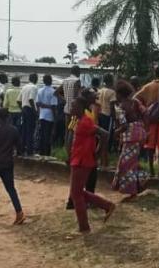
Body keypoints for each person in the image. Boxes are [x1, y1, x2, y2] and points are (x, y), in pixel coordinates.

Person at [68, 96, 115, 233]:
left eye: (73, 106)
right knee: (77, 192)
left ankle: (84, 227)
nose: (71, 108)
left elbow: (104, 134)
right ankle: (107, 205)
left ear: (80, 108)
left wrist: (98, 154)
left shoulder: (86, 122)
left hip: (83, 160)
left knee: (76, 195)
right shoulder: (80, 121)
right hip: (79, 159)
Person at [111, 80, 149, 200]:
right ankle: (140, 182)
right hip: (140, 134)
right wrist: (144, 128)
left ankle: (134, 189)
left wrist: (116, 133)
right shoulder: (136, 101)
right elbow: (146, 113)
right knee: (131, 162)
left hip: (130, 137)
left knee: (126, 164)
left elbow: (124, 125)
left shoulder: (120, 106)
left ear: (119, 94)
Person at [57, 66, 82, 156]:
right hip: (74, 109)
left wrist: (65, 99)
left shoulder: (65, 80)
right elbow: (77, 96)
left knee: (67, 130)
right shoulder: (77, 81)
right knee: (73, 130)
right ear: (78, 72)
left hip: (66, 108)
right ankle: (70, 151)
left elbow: (56, 92)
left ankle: (65, 149)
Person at [96, 73, 116, 170]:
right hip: (108, 117)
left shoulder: (100, 91)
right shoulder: (112, 92)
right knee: (106, 140)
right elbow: (112, 107)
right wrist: (115, 118)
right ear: (111, 81)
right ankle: (104, 163)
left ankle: (98, 161)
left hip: (100, 115)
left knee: (101, 139)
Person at [36, 75, 58, 156]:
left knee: (42, 135)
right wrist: (55, 118)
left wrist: (42, 106)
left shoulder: (40, 90)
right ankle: (47, 154)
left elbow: (38, 103)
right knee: (48, 135)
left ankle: (41, 152)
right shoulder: (53, 91)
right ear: (51, 81)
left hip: (42, 115)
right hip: (49, 116)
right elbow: (53, 106)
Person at [18, 74, 39, 156]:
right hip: (30, 110)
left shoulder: (24, 87)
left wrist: (22, 109)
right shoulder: (34, 87)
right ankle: (30, 151)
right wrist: (35, 111)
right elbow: (31, 99)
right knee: (30, 131)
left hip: (24, 109)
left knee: (24, 130)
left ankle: (22, 149)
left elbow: (18, 100)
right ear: (36, 79)